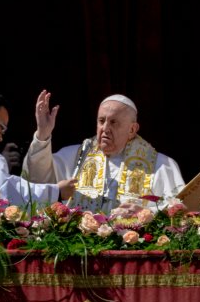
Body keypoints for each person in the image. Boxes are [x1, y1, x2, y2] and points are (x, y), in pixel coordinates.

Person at [23, 90, 185, 214]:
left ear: (132, 129)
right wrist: (43, 134)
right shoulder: (75, 156)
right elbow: (37, 182)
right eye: (101, 121)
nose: (105, 128)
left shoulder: (161, 166)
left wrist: (146, 213)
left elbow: (180, 209)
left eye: (114, 122)